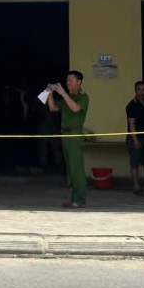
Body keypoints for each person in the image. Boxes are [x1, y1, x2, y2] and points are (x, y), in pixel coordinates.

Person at [47, 71, 90, 208]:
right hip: (65, 134)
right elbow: (53, 108)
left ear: (79, 82)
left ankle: (79, 199)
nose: (68, 83)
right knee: (71, 169)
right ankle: (74, 199)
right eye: (67, 81)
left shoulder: (83, 97)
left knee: (76, 168)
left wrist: (64, 94)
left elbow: (76, 109)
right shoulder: (68, 98)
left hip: (74, 135)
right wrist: (50, 93)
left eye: (71, 81)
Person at [125, 81, 144, 195]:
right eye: (139, 89)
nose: (142, 92)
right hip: (135, 138)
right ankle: (136, 186)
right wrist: (135, 140)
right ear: (135, 90)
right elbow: (131, 124)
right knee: (135, 164)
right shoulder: (132, 105)